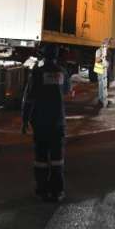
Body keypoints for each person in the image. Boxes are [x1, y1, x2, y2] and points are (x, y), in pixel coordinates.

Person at [21, 44, 70, 202]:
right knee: (57, 159)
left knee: (41, 159)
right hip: (57, 123)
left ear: (44, 56)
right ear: (56, 56)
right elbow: (67, 91)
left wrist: (25, 120)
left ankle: (42, 190)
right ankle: (57, 191)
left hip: (40, 122)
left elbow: (29, 98)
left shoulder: (37, 73)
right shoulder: (62, 73)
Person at [94, 38, 111, 109]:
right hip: (99, 68)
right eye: (107, 44)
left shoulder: (106, 51)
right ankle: (100, 100)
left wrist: (106, 63)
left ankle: (104, 99)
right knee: (101, 84)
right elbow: (97, 60)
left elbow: (105, 60)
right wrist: (102, 57)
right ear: (104, 44)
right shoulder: (98, 50)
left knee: (104, 84)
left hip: (104, 68)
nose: (108, 46)